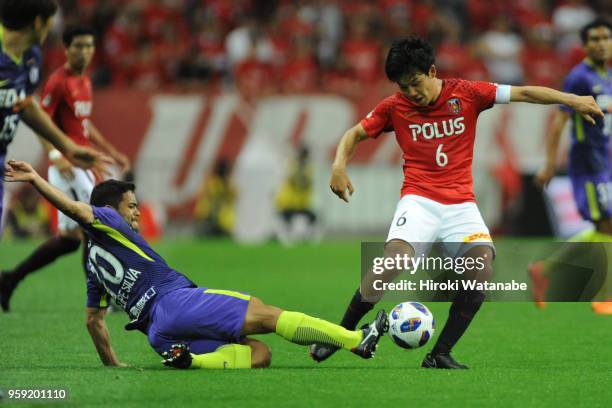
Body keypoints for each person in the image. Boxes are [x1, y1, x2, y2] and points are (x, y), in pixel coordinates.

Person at [309, 36, 603, 369]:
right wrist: (338, 165)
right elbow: (354, 134)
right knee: (390, 264)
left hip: (461, 206)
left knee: (480, 273)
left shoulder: (468, 93)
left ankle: (439, 354)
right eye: (403, 87)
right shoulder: (394, 107)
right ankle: (340, 335)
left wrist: (572, 100)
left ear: (431, 70)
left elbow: (523, 93)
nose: (411, 93)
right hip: (419, 201)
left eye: (416, 83)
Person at [3, 159, 388, 369]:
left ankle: (193, 361)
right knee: (268, 315)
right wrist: (37, 179)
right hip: (176, 303)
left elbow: (93, 321)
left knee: (260, 355)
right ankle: (357, 340)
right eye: (132, 207)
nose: (136, 215)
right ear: (110, 211)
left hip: (158, 336)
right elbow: (74, 207)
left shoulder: (91, 262)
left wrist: (114, 365)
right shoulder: (109, 220)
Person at [0, 25, 130, 311]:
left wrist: (111, 150)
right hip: (68, 165)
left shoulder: (85, 81)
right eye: (79, 46)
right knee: (96, 225)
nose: (84, 52)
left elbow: (84, 123)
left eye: (89, 46)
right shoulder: (58, 81)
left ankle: (10, 278)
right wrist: (55, 154)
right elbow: (38, 120)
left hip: (81, 161)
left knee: (70, 240)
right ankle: (103, 301)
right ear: (67, 48)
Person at [0, 0, 108, 234]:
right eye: (49, 23)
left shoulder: (31, 57)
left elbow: (26, 105)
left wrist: (66, 146)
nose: (51, 29)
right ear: (37, 23)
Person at [532, 18, 612, 314]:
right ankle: (605, 298)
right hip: (587, 162)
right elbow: (559, 122)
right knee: (607, 224)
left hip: (605, 160)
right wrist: (550, 164)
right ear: (585, 45)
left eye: (606, 37)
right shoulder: (579, 77)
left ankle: (544, 268)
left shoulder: (608, 77)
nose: (601, 43)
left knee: (603, 226)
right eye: (594, 39)